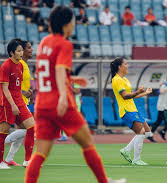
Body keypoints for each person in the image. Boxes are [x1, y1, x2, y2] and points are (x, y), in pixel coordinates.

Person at [24, 6, 126, 183]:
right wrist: (64, 95)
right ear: (66, 24)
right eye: (72, 21)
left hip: (42, 104)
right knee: (87, 142)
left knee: (40, 153)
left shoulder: (44, 43)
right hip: (60, 103)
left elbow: (51, 71)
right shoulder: (65, 44)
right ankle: (104, 181)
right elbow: (58, 69)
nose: (74, 25)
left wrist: (72, 78)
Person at [0, 39, 35, 169]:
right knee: (3, 131)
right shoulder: (5, 66)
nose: (22, 53)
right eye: (19, 51)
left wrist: (24, 94)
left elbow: (17, 87)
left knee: (32, 127)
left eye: (22, 50)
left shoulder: (20, 65)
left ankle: (27, 161)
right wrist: (13, 105)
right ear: (11, 53)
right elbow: (5, 88)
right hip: (7, 102)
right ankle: (0, 162)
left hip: (19, 100)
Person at [110, 57, 152, 165]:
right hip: (126, 110)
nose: (127, 66)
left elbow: (131, 96)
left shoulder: (125, 79)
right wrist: (138, 91)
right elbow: (124, 96)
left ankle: (126, 150)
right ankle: (136, 160)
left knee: (147, 132)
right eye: (126, 64)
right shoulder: (116, 80)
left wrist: (145, 93)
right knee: (141, 132)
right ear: (120, 67)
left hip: (133, 109)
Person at [147, 73, 167, 142]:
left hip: (165, 106)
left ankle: (150, 135)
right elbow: (160, 91)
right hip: (163, 107)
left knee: (158, 121)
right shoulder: (165, 86)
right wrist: (165, 85)